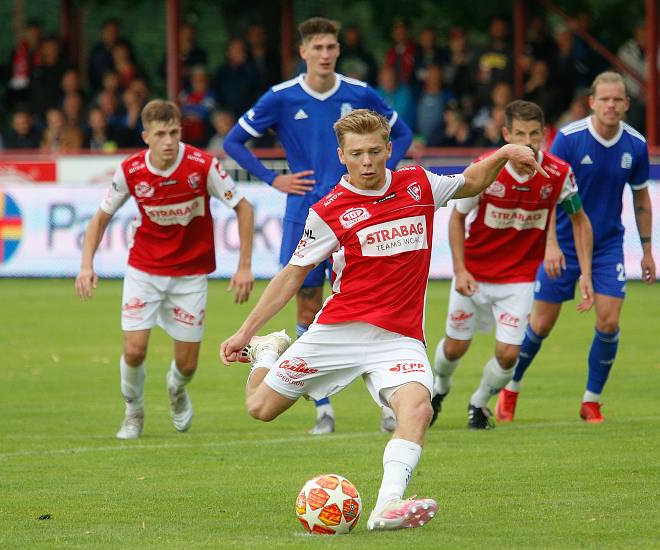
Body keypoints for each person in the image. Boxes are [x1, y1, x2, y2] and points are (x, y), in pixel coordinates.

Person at [219, 108, 545, 531]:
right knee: (260, 408)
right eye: (357, 154)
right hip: (338, 330)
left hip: (399, 337)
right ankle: (268, 349)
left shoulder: (420, 184)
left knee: (417, 408)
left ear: (390, 149)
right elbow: (293, 274)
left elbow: (474, 181)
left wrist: (504, 152)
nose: (368, 162)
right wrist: (246, 332)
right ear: (342, 156)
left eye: (375, 151)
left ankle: (387, 506)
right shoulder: (329, 210)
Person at [223, 17, 413, 435]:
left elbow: (403, 134)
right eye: (318, 48)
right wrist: (274, 178)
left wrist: (384, 174)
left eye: (331, 47)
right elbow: (233, 141)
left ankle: (388, 399)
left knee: (373, 304)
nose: (325, 55)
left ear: (338, 51)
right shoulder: (282, 96)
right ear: (304, 53)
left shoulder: (360, 93)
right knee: (307, 303)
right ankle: (321, 406)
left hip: (364, 213)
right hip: (307, 213)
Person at [75, 100, 255, 439]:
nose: (169, 140)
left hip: (190, 276)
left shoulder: (202, 165)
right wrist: (86, 265)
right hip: (144, 269)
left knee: (187, 365)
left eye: (174, 132)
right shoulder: (131, 170)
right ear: (146, 136)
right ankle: (133, 412)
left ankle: (176, 390)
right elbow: (100, 218)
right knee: (134, 350)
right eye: (160, 134)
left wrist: (244, 267)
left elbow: (244, 208)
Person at [496, 72, 656, 423]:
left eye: (618, 100)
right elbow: (546, 189)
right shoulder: (570, 139)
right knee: (540, 325)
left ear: (626, 104)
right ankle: (511, 388)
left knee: (609, 320)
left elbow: (641, 197)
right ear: (592, 102)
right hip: (563, 243)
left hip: (607, 245)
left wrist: (646, 249)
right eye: (605, 99)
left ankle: (591, 400)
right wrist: (550, 242)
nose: (611, 105)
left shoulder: (636, 145)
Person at [430, 100, 594, 429]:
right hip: (474, 274)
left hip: (518, 279)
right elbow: (457, 219)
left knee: (508, 354)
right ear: (506, 135)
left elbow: (579, 220)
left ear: (544, 135)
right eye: (520, 134)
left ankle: (478, 403)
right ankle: (439, 388)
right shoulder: (486, 169)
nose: (528, 142)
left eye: (534, 134)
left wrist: (586, 274)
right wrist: (460, 269)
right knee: (455, 347)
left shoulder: (559, 174)